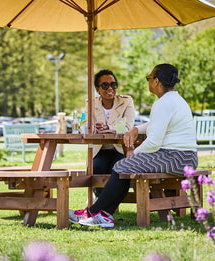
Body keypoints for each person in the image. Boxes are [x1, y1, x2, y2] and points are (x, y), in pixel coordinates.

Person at [69, 63, 198, 228]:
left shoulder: (163, 103)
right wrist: (137, 128)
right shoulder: (174, 100)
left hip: (176, 158)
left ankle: (94, 212)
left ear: (157, 81)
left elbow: (153, 142)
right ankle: (103, 215)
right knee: (124, 166)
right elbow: (156, 124)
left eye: (149, 78)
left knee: (122, 165)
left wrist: (134, 153)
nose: (148, 82)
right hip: (185, 157)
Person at [90, 69, 135, 198]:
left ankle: (105, 203)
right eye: (105, 85)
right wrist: (93, 127)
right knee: (96, 168)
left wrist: (107, 127)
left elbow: (127, 127)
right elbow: (86, 125)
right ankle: (100, 200)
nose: (110, 88)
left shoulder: (126, 101)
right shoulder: (91, 104)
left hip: (121, 149)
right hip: (100, 149)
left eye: (113, 84)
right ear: (97, 89)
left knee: (118, 168)